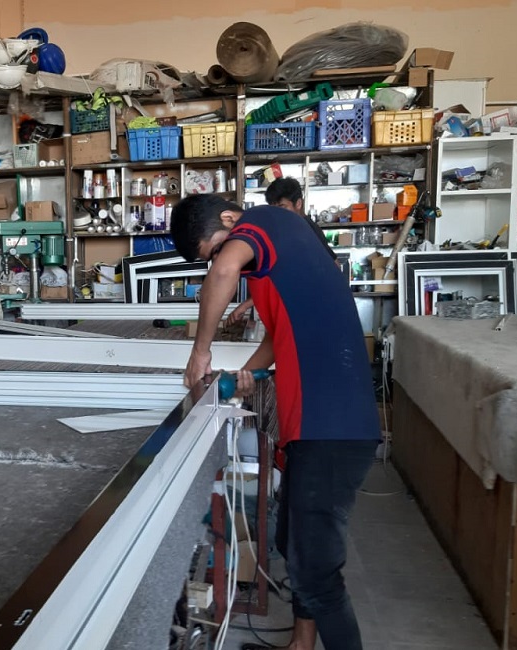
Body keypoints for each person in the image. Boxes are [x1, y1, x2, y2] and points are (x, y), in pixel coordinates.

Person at [170, 194, 379, 650]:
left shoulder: (265, 221)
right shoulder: (277, 260)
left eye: (215, 250)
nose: (221, 263)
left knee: (317, 572)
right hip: (318, 426)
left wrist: (200, 351)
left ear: (231, 219)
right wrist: (241, 378)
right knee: (293, 542)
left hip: (332, 427)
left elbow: (222, 273)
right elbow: (278, 339)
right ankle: (301, 644)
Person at [227, 177, 337, 325]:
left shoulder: (306, 232)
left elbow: (330, 269)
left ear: (298, 203)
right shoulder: (292, 229)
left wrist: (246, 304)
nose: (277, 214)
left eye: (282, 207)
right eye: (274, 209)